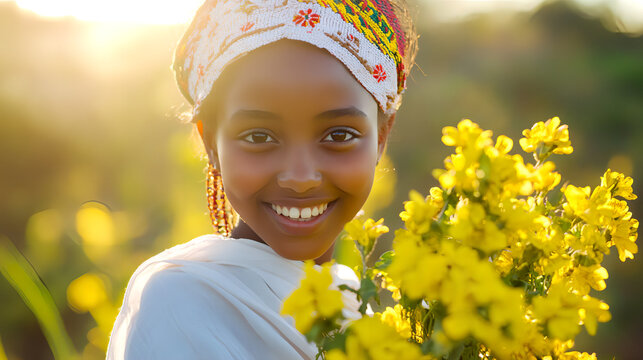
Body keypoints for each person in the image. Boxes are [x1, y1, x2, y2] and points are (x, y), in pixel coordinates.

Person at [106, 0, 418, 359]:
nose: (301, 178)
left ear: (381, 137)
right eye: (258, 137)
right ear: (211, 144)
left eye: (338, 135)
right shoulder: (181, 306)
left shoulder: (354, 302)